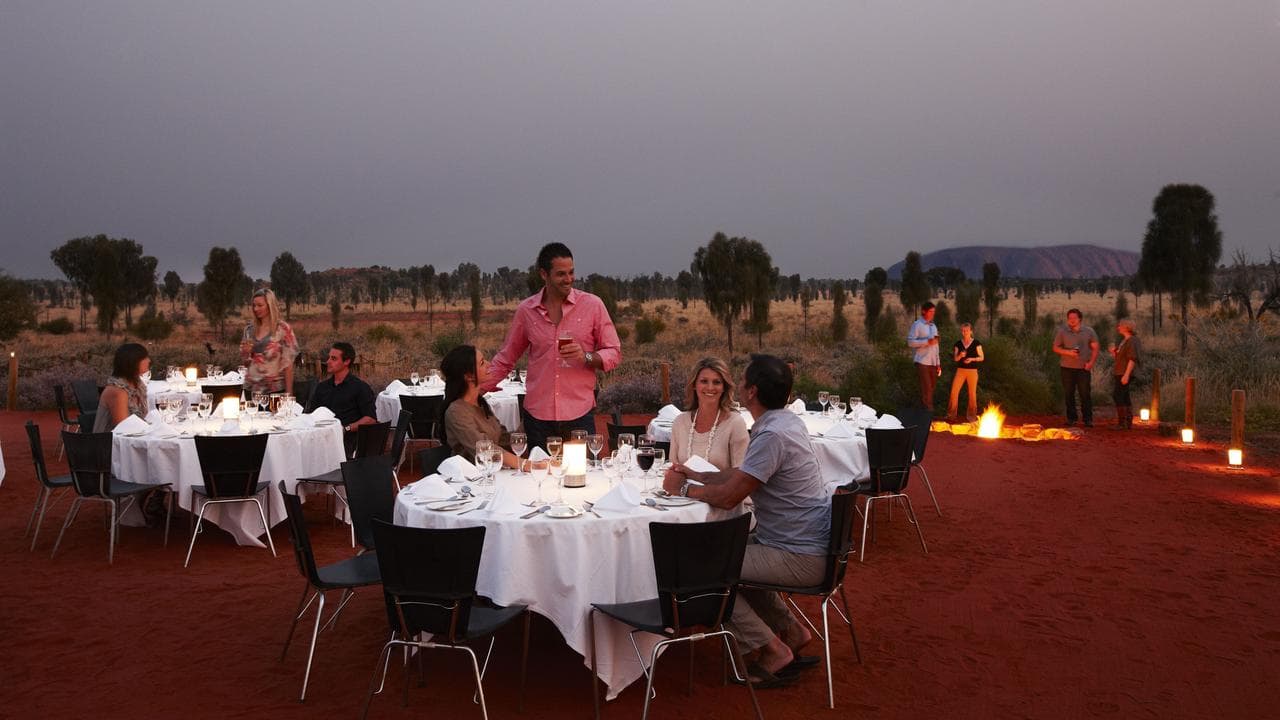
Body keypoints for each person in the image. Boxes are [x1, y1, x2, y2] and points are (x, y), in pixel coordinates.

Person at [663, 354, 829, 687]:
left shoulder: (770, 436)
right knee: (727, 553)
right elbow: (742, 474)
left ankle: (772, 650)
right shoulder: (785, 422)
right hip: (804, 544)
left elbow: (730, 497)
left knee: (704, 567)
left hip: (798, 554)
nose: (737, 385)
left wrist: (683, 487)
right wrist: (698, 475)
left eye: (742, 382)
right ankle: (793, 632)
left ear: (750, 392)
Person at [486, 242, 622, 454]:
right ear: (544, 274)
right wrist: (476, 389)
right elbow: (506, 357)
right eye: (561, 274)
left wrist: (585, 356)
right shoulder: (526, 311)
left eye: (571, 272)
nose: (568, 279)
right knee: (539, 480)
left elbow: (614, 352)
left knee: (581, 483)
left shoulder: (593, 305)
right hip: (538, 419)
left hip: (579, 415)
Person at [441, 344, 521, 467]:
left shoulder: (481, 403)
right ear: (469, 376)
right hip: (471, 479)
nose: (489, 364)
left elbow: (502, 438)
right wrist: (526, 464)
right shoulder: (456, 411)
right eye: (482, 363)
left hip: (493, 472)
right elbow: (485, 450)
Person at [669, 357, 750, 471]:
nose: (710, 387)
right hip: (684, 489)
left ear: (724, 388)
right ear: (694, 385)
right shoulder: (680, 422)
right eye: (704, 381)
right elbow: (673, 468)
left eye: (716, 382)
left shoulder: (735, 423)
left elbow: (741, 475)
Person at [306, 342, 377, 456]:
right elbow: (311, 414)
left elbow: (370, 418)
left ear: (346, 361)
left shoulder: (360, 387)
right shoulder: (322, 387)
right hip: (320, 440)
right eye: (329, 357)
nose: (328, 361)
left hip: (348, 443)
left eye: (333, 358)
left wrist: (345, 429)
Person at [240, 288, 298, 396]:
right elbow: (246, 363)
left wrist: (289, 394)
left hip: (275, 391)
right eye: (254, 305)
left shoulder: (283, 329)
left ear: (270, 306)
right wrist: (246, 353)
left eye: (260, 305)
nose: (256, 309)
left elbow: (288, 366)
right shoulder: (249, 330)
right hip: (251, 390)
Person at [1053, 308, 1100, 427]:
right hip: (1066, 368)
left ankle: (1088, 419)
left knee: (1085, 394)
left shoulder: (1089, 331)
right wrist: (1068, 353)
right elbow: (1055, 348)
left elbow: (1095, 348)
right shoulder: (1062, 331)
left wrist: (1091, 363)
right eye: (1069, 318)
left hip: (1083, 368)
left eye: (1074, 318)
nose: (1072, 320)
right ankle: (1071, 419)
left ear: (1080, 318)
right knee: (1069, 393)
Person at [93, 343, 150, 432]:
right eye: (144, 358)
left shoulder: (138, 385)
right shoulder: (118, 391)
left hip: (132, 438)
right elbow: (123, 428)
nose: (148, 361)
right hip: (110, 443)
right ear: (132, 362)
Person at [906, 301, 941, 411]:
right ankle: (928, 415)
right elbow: (910, 342)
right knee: (927, 389)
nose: (932, 314)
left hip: (933, 363)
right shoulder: (917, 325)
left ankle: (923, 413)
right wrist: (926, 342)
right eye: (930, 311)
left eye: (934, 312)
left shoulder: (933, 326)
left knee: (931, 388)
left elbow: (936, 346)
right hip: (922, 361)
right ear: (923, 311)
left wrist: (938, 363)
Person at [947, 323, 985, 421]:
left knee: (972, 393)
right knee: (954, 392)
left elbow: (982, 357)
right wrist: (960, 356)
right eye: (963, 331)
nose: (964, 333)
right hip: (960, 370)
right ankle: (951, 415)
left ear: (971, 331)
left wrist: (972, 359)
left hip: (972, 371)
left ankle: (972, 416)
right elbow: (955, 359)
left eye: (966, 330)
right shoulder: (958, 344)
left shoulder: (976, 343)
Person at [1109, 319, 1141, 429]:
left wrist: (1126, 375)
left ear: (1127, 327)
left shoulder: (1131, 341)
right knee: (1124, 395)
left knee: (1118, 395)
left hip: (1124, 372)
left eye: (1120, 326)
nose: (1118, 327)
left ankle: (1122, 423)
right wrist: (1114, 352)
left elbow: (1132, 359)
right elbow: (1122, 357)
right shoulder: (1126, 340)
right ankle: (1127, 422)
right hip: (1120, 371)